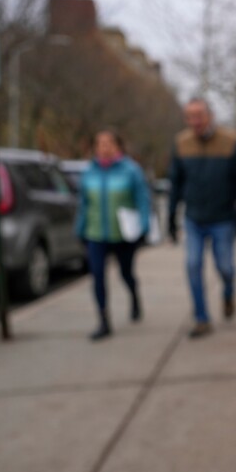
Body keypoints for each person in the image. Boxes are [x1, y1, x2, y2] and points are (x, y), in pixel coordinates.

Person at [168, 97, 236, 338]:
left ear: (210, 116)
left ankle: (228, 292)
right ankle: (201, 318)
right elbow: (176, 183)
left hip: (223, 219)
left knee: (225, 267)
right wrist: (171, 216)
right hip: (194, 219)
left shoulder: (230, 141)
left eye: (199, 115)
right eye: (190, 116)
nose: (195, 121)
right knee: (193, 266)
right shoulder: (181, 143)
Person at [75, 129, 152, 341]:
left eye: (109, 143)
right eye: (100, 143)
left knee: (125, 273)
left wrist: (144, 226)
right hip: (95, 233)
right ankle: (103, 320)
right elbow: (83, 204)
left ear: (118, 146)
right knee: (97, 275)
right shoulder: (89, 172)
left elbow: (142, 199)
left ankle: (134, 295)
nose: (104, 147)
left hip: (123, 233)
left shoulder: (131, 170)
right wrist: (80, 229)